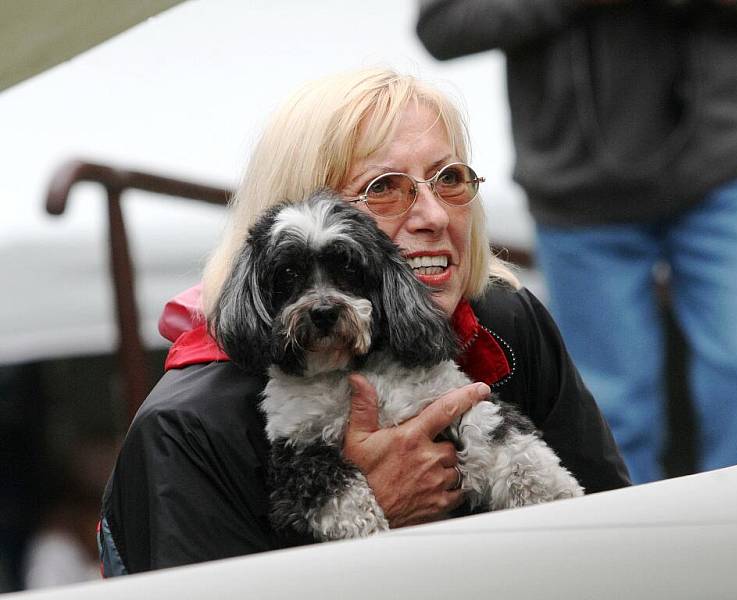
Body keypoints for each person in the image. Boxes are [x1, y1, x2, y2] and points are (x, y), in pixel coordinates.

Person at [99, 68, 630, 575]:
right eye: (384, 188)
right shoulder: (188, 427)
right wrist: (368, 516)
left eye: (449, 179)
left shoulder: (506, 323)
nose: (434, 216)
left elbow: (613, 535)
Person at [416, 0, 737, 484]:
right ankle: (630, 554)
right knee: (608, 409)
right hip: (577, 198)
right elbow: (443, 27)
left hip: (730, 170)